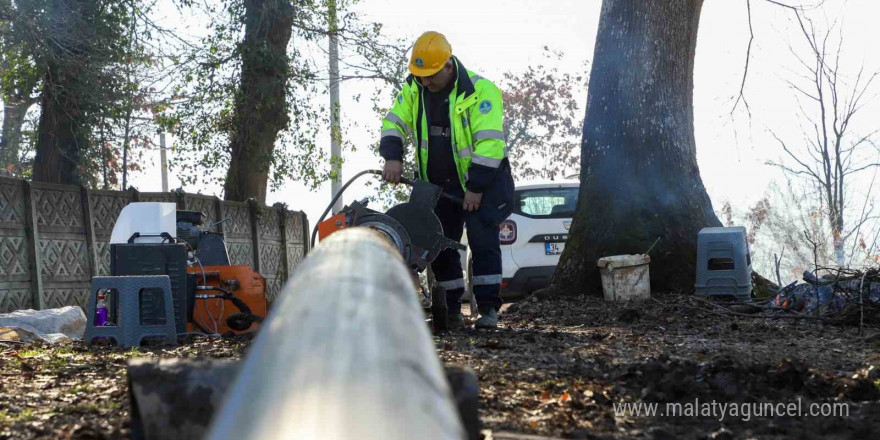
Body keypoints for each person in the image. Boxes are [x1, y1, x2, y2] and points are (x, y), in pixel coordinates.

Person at [379, 31, 514, 329]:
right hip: (437, 185)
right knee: (436, 244)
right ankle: (451, 309)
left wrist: (475, 187)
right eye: (420, 75)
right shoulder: (414, 89)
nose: (425, 82)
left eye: (430, 76)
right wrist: (392, 156)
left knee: (483, 241)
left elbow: (490, 144)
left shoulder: (482, 91)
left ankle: (488, 310)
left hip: (483, 182)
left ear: (448, 67)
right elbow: (393, 121)